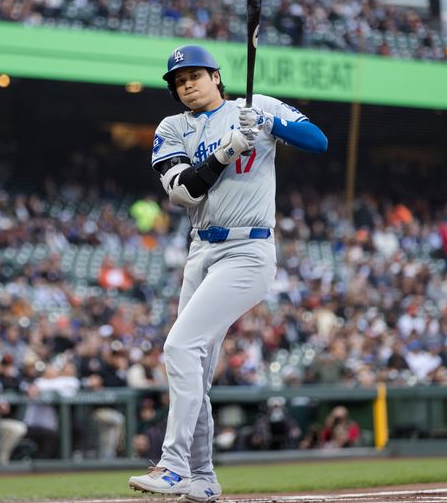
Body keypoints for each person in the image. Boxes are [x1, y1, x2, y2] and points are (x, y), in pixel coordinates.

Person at [127, 45, 327, 502]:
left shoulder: (258, 108)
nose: (186, 84)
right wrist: (228, 149)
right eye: (178, 80)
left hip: (249, 249)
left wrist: (268, 125)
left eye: (194, 75)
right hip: (202, 249)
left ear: (217, 77)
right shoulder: (172, 127)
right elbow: (183, 193)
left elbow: (319, 141)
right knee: (193, 367)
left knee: (179, 345)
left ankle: (173, 466)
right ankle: (203, 477)